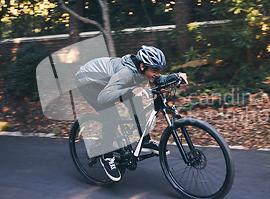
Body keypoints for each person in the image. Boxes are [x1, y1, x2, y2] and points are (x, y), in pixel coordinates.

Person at [75, 45, 187, 181]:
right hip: (88, 81)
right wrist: (129, 91)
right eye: (154, 70)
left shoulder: (143, 70)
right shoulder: (126, 73)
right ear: (142, 66)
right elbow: (103, 97)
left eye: (159, 70)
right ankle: (106, 155)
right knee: (111, 115)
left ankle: (145, 141)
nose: (157, 74)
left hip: (107, 82)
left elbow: (159, 79)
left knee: (136, 103)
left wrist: (177, 76)